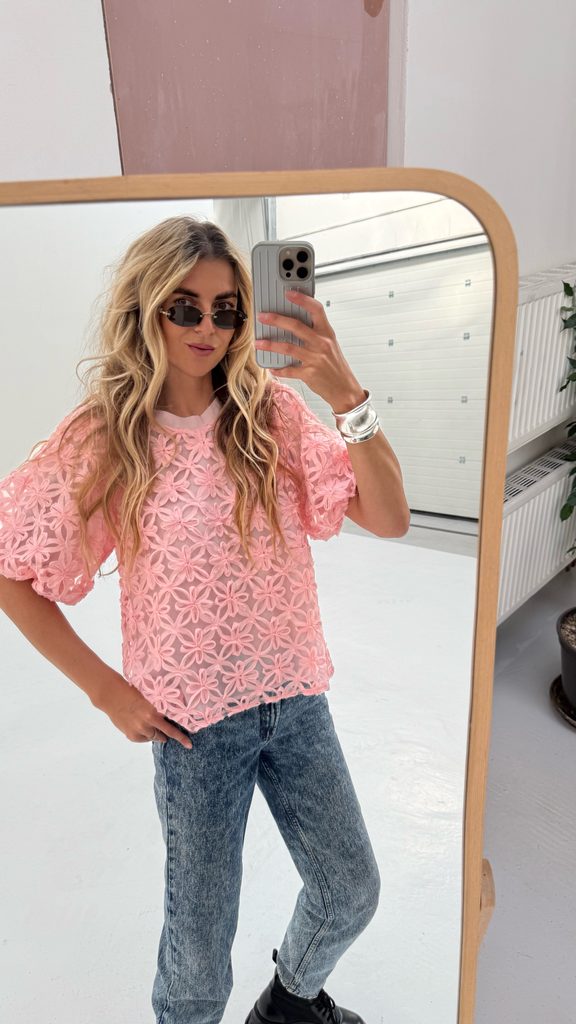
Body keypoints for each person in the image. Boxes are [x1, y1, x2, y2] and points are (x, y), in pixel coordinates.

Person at [0, 216, 388, 1024]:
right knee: (199, 955)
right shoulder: (107, 436)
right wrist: (105, 690)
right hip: (193, 729)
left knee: (351, 888)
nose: (208, 327)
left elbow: (389, 517)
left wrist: (344, 392)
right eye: (185, 308)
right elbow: (11, 571)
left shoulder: (270, 413)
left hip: (295, 699)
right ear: (147, 309)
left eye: (226, 310)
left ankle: (289, 1007)